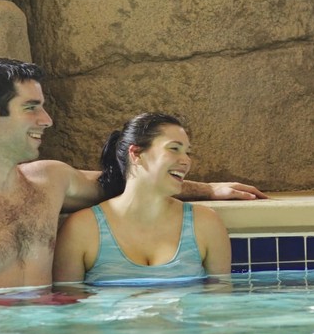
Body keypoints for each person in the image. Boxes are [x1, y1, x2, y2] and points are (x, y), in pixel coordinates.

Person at [0, 58, 263, 297]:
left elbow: (127, 180)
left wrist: (210, 189)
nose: (47, 120)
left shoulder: (50, 181)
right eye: (31, 108)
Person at [53, 113, 231, 284]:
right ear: (136, 154)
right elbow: (69, 301)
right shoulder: (82, 229)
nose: (186, 161)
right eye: (174, 149)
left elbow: (219, 298)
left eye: (187, 153)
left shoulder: (206, 224)